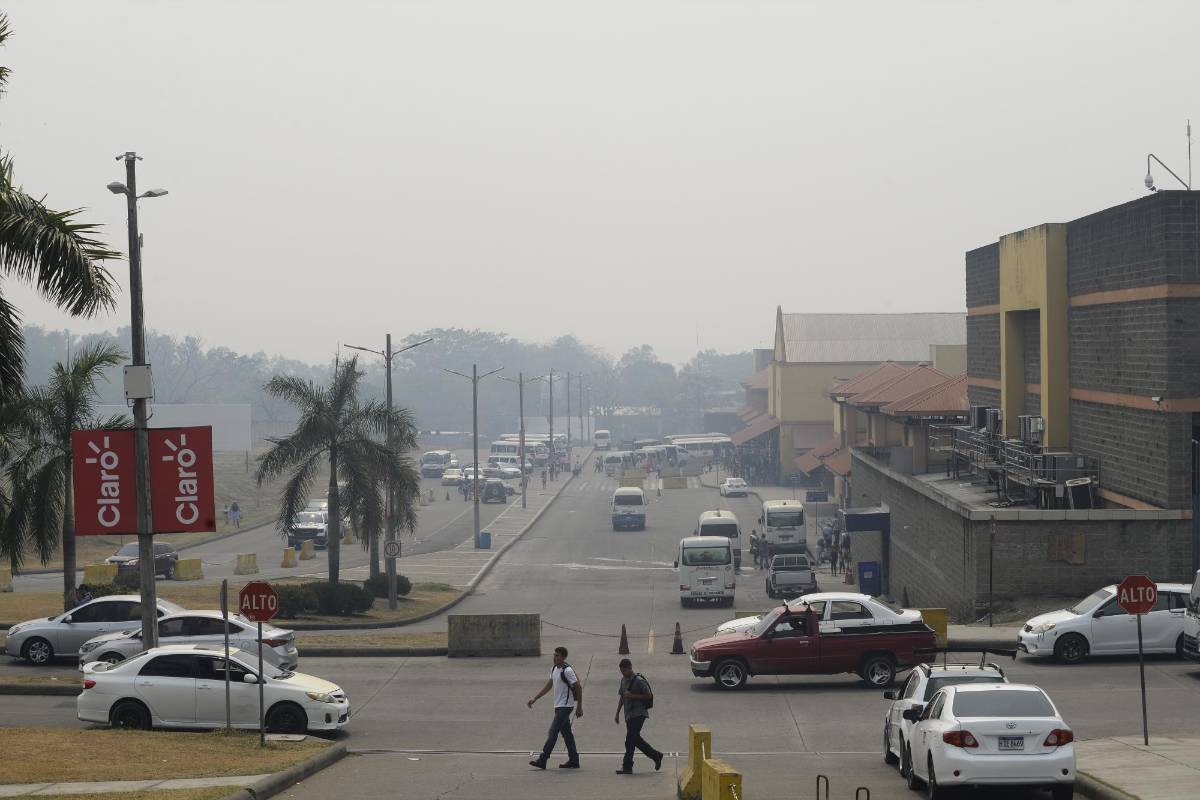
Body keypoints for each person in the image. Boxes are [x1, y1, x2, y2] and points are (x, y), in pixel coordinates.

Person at [527, 646, 582, 770]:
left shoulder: (567, 670)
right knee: (567, 734)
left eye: (557, 655)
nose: (554, 657)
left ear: (563, 657)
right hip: (558, 706)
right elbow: (549, 685)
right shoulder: (553, 669)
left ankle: (543, 759)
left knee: (553, 732)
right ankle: (574, 760)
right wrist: (535, 698)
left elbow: (578, 687)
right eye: (554, 655)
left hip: (566, 706)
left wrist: (579, 707)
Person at [613, 658, 663, 774]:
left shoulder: (639, 681)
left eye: (624, 671)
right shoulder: (623, 680)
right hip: (629, 714)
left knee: (629, 740)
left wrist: (633, 696)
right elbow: (622, 697)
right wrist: (617, 713)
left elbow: (649, 696)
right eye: (621, 671)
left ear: (630, 668)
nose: (623, 674)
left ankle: (627, 766)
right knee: (635, 739)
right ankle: (656, 755)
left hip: (639, 713)